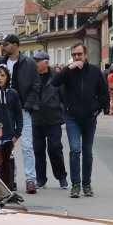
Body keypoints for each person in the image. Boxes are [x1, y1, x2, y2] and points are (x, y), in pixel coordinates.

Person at [50, 42, 108, 198]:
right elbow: (55, 83)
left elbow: (103, 92)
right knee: (75, 150)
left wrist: (99, 109)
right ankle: (75, 185)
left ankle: (86, 185)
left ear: (85, 55)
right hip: (72, 117)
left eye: (79, 54)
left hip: (89, 117)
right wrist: (68, 68)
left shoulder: (95, 71)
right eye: (74, 54)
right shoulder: (68, 72)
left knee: (87, 152)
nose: (77, 57)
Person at [0, 33, 40, 193]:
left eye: (6, 44)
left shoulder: (29, 63)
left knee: (27, 146)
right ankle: (11, 178)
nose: (3, 47)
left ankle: (30, 179)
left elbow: (36, 85)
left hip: (23, 110)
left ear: (15, 45)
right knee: (7, 146)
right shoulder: (1, 62)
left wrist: (28, 104)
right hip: (5, 110)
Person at [30, 51, 68, 189]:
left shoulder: (57, 76)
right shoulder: (32, 77)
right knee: (38, 150)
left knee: (55, 148)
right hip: (36, 119)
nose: (35, 64)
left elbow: (64, 96)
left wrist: (61, 110)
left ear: (46, 62)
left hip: (53, 119)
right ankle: (41, 179)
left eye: (37, 61)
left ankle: (61, 177)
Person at [0, 64, 23, 190]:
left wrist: (17, 133)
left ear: (7, 77)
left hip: (9, 134)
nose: (0, 78)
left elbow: (18, 114)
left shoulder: (13, 94)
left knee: (8, 160)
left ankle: (9, 184)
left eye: (3, 75)